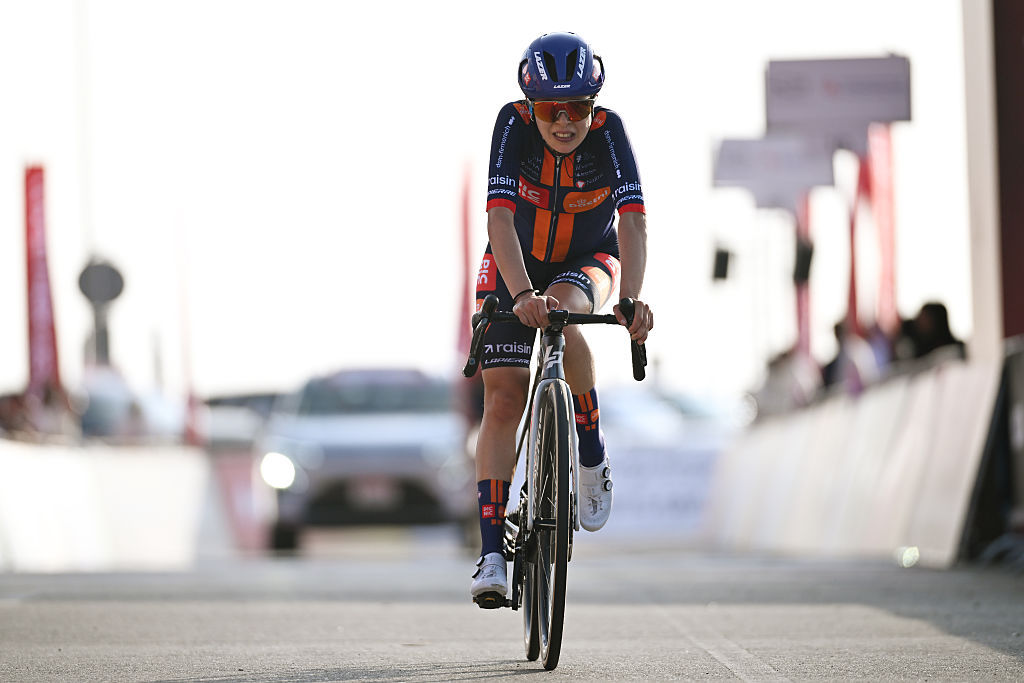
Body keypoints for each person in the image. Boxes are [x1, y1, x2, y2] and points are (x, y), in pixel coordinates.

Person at [469, 32, 654, 604]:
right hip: (513, 262)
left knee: (565, 313)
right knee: (502, 400)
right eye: (552, 109)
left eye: (578, 106)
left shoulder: (609, 133)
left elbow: (633, 224)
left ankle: (590, 451)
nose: (565, 120)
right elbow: (500, 220)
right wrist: (520, 291)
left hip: (586, 261)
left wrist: (633, 299)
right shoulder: (512, 124)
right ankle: (492, 555)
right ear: (532, 105)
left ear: (593, 105)